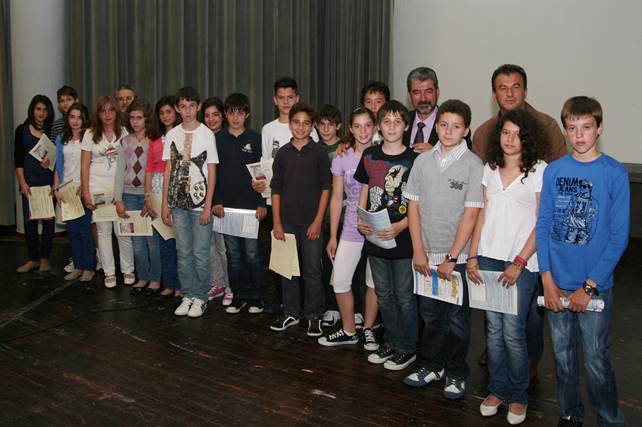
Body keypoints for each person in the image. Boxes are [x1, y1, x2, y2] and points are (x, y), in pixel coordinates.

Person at [537, 96, 629, 427]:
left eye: (586, 127)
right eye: (572, 128)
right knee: (563, 359)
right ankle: (569, 413)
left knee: (596, 361)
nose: (579, 135)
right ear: (565, 130)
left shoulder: (614, 173)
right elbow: (544, 226)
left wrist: (588, 287)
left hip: (594, 288)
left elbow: (618, 238)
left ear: (599, 128)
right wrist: (547, 279)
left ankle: (609, 420)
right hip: (556, 285)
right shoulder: (554, 171)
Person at [472, 64, 568, 377]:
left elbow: (554, 182)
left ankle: (530, 354)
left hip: (531, 237)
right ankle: (497, 350)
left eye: (516, 86)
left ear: (525, 90)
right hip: (493, 239)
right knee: (495, 309)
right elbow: (482, 189)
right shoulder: (485, 132)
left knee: (529, 307)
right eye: (503, 87)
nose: (510, 93)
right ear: (494, 94)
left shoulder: (546, 125)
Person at [467, 109, 548, 424]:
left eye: (517, 134)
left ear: (527, 138)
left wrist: (520, 261)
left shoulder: (539, 170)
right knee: (493, 330)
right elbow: (482, 214)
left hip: (521, 263)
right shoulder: (489, 168)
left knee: (513, 332)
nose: (510, 139)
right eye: (505, 133)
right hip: (488, 257)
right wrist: (473, 255)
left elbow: (542, 222)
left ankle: (518, 396)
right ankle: (497, 390)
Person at [403, 99, 483, 399]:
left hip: (456, 259)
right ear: (436, 126)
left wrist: (452, 257)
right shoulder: (423, 161)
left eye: (456, 126)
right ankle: (432, 366)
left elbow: (471, 214)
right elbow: (413, 207)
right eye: (444, 125)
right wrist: (418, 250)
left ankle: (456, 373)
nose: (449, 131)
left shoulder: (474, 165)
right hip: (425, 255)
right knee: (430, 316)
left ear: (466, 130)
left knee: (456, 320)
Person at [354, 100, 418, 370]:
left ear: (406, 126)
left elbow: (419, 203)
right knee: (384, 293)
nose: (392, 127)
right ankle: (391, 342)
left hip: (403, 235)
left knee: (404, 295)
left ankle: (408, 347)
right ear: (379, 126)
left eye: (397, 121)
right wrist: (360, 217)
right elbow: (365, 188)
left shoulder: (415, 160)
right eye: (386, 121)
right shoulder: (370, 155)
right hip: (375, 234)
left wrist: (403, 225)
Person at [254, 77, 318, 314]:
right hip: (277, 201)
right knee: (283, 257)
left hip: (305, 205)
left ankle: (309, 307)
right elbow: (263, 166)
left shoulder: (309, 129)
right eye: (281, 98)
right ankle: (287, 304)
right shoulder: (267, 129)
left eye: (290, 97)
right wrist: (258, 184)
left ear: (297, 98)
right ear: (274, 100)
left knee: (309, 261)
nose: (286, 102)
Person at [317, 107, 379, 351]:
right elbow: (336, 198)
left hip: (378, 227)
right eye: (358, 126)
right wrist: (333, 235)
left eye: (368, 125)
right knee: (341, 280)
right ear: (350, 129)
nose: (363, 131)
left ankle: (369, 329)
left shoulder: (382, 153)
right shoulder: (341, 156)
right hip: (352, 225)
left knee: (373, 282)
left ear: (375, 127)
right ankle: (349, 329)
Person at [269, 103, 331, 336]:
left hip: (311, 223)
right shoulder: (283, 153)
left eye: (306, 123)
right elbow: (276, 189)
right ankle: (291, 312)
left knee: (313, 270)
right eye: (296, 122)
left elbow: (326, 188)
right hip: (286, 222)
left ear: (312, 126)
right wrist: (277, 222)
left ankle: (314, 315)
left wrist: (318, 221)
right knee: (288, 270)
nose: (301, 127)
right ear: (290, 124)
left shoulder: (319, 153)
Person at [161, 86, 218, 318]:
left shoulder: (207, 134)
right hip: (177, 204)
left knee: (200, 253)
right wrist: (165, 203)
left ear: (198, 107)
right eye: (183, 106)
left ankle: (201, 297)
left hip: (200, 205)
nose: (187, 111)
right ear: (177, 108)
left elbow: (212, 171)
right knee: (183, 252)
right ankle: (187, 295)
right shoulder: (172, 134)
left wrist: (207, 206)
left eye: (191, 106)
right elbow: (168, 168)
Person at [212, 93, 266, 314]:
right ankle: (238, 295)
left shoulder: (255, 138)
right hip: (226, 209)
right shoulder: (217, 139)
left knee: (252, 255)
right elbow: (213, 174)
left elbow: (262, 174)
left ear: (247, 115)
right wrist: (216, 201)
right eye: (232, 113)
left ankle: (257, 297)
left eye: (240, 113)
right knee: (233, 255)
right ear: (226, 114)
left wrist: (262, 203)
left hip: (251, 208)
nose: (236, 117)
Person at [80, 96, 135, 288]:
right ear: (97, 114)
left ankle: (128, 269)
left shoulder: (125, 132)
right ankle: (109, 272)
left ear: (116, 112)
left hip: (120, 189)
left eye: (111, 110)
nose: (107, 114)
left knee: (123, 231)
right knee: (103, 232)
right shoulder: (89, 134)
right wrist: (86, 192)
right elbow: (84, 166)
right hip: (98, 189)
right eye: (103, 110)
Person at [114, 98, 162, 293]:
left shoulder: (154, 141)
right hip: (129, 196)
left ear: (147, 119)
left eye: (139, 118)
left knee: (152, 241)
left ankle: (155, 278)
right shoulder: (124, 142)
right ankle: (142, 276)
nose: (135, 122)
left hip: (148, 196)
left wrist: (151, 196)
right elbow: (119, 172)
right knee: (137, 242)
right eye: (132, 118)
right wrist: (118, 199)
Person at [14, 95, 56, 273]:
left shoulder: (53, 131)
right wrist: (22, 183)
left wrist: (51, 164)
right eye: (38, 109)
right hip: (29, 185)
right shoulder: (21, 130)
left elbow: (59, 160)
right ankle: (33, 259)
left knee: (48, 223)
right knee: (29, 223)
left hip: (48, 184)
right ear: (32, 110)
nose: (41, 113)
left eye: (45, 110)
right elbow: (18, 160)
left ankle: (45, 259)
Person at [53, 102, 95, 281]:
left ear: (84, 119)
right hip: (66, 191)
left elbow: (92, 164)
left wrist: (85, 186)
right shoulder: (61, 138)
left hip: (82, 190)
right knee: (72, 231)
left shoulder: (90, 137)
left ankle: (89, 267)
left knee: (85, 230)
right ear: (67, 118)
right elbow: (58, 166)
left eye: (79, 117)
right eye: (72, 117)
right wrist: (56, 188)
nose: (75, 121)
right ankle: (78, 266)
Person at [314, 104, 344, 327]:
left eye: (330, 124)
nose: (325, 129)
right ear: (316, 126)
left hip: (343, 217)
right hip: (318, 216)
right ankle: (331, 306)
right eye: (322, 124)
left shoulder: (347, 148)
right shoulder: (313, 149)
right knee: (325, 263)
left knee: (346, 265)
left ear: (338, 126)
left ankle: (353, 308)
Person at [150, 96, 181, 301]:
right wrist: (148, 194)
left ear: (176, 112)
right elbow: (149, 167)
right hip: (157, 191)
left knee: (180, 243)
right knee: (164, 242)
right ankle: (169, 283)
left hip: (177, 190)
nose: (165, 116)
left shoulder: (182, 135)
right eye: (161, 113)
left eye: (169, 111)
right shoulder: (155, 139)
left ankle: (181, 285)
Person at [201, 97, 232, 306]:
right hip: (203, 200)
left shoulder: (226, 139)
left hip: (221, 200)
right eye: (207, 115)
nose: (211, 119)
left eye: (215, 115)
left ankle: (230, 286)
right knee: (209, 245)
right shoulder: (201, 137)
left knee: (223, 247)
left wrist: (218, 199)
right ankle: (217, 282)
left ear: (223, 116)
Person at [402, 67, 440, 152]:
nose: (423, 98)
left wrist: (437, 153)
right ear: (409, 96)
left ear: (437, 92)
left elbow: (464, 158)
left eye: (428, 92)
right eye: (417, 93)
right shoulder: (401, 121)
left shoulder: (454, 124)